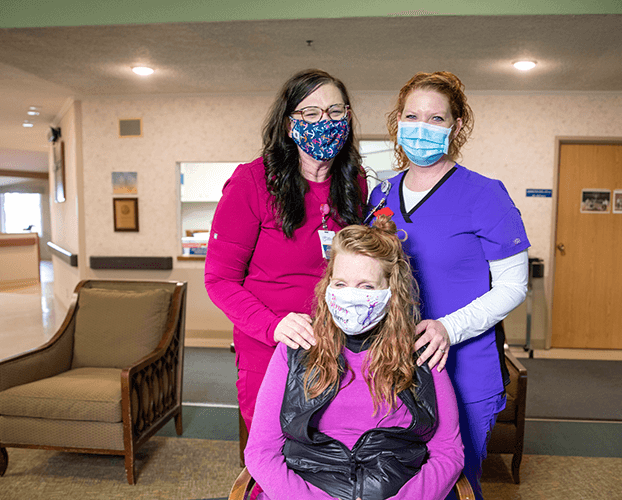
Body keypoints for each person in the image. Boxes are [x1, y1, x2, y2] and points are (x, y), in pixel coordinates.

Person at [367, 71, 529, 499]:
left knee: (455, 483)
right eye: (412, 115)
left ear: (456, 127)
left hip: (464, 368)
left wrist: (448, 328)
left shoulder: (485, 194)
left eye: (436, 119)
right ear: (397, 120)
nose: (422, 127)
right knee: (395, 482)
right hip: (394, 367)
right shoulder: (379, 193)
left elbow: (513, 286)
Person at [245, 216, 464, 500]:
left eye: (366, 287)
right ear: (327, 286)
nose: (350, 296)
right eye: (340, 283)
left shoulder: (422, 350)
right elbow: (261, 451)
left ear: (390, 292)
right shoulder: (297, 346)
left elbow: (448, 452)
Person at [205, 69, 367, 432]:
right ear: (289, 123)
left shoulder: (355, 183)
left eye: (335, 111)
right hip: (270, 349)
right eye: (310, 113)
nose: (325, 122)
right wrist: (273, 325)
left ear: (348, 118)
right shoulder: (251, 182)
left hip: (338, 346)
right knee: (274, 455)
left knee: (328, 454)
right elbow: (219, 280)